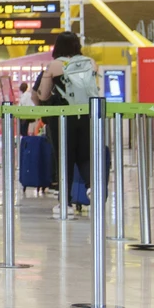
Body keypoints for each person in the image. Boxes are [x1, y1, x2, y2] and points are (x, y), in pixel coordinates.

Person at [35, 31, 97, 216]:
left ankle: (65, 202)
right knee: (85, 156)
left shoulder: (54, 65)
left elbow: (43, 95)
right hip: (86, 116)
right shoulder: (90, 63)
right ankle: (91, 186)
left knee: (64, 157)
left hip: (62, 119)